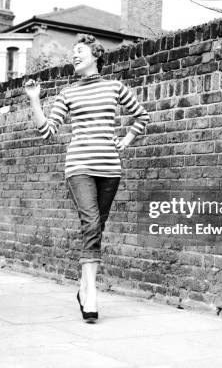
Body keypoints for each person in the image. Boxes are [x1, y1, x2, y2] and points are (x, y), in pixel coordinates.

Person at [24, 34, 149, 321]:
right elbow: (48, 131)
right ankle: (91, 294)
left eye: (80, 51)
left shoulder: (115, 87)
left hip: (109, 169)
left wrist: (127, 139)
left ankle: (83, 288)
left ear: (96, 55)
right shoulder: (67, 93)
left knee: (96, 226)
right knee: (91, 222)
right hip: (78, 166)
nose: (75, 56)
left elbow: (141, 116)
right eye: (73, 52)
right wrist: (34, 101)